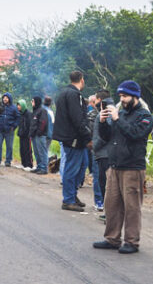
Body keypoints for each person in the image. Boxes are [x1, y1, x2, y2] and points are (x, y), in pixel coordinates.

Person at [93, 81, 153, 254]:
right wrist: (104, 122)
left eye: (125, 96)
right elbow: (106, 137)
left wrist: (117, 119)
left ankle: (132, 242)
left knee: (132, 206)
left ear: (135, 96)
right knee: (111, 204)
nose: (122, 99)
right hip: (114, 166)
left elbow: (135, 134)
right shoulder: (119, 113)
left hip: (132, 167)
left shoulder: (145, 116)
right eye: (120, 96)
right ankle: (112, 238)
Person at [54, 71, 93, 212]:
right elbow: (78, 119)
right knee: (72, 169)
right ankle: (68, 200)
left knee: (83, 165)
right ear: (82, 80)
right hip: (74, 138)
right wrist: (88, 138)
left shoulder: (64, 93)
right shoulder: (73, 95)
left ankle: (73, 195)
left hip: (74, 137)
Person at [91, 90, 113, 213]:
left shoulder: (105, 113)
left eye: (96, 101)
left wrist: (95, 146)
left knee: (104, 183)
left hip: (104, 153)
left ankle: (107, 209)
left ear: (100, 100)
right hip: (105, 152)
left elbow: (106, 134)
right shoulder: (107, 111)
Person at [0, 92, 20, 167]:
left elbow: (18, 117)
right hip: (0, 129)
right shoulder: (0, 107)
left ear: (9, 99)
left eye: (6, 97)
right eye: (4, 97)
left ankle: (8, 161)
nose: (5, 99)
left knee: (9, 146)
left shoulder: (14, 107)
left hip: (9, 130)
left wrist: (14, 126)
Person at [30, 96, 49, 174]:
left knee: (42, 151)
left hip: (40, 135)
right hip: (34, 135)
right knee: (36, 152)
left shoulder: (42, 110)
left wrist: (39, 132)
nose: (32, 103)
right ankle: (39, 166)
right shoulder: (35, 111)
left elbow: (43, 122)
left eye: (33, 101)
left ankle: (44, 168)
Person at [16, 99, 33, 170]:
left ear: (23, 105)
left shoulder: (28, 114)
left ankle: (29, 165)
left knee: (27, 150)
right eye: (17, 105)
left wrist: (29, 134)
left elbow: (29, 125)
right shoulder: (20, 114)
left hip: (27, 135)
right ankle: (23, 164)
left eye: (19, 105)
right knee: (22, 149)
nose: (18, 107)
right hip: (21, 135)